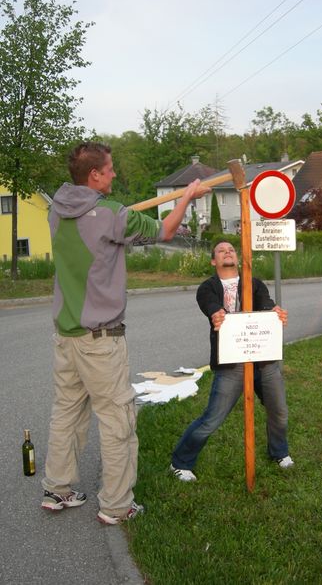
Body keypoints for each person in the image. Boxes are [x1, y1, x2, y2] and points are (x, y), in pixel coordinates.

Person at [41, 141, 210, 524]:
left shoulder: (56, 209)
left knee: (66, 413)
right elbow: (166, 230)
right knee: (118, 420)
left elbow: (100, 221)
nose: (115, 174)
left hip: (65, 335)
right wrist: (186, 196)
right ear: (94, 175)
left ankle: (58, 489)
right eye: (110, 169)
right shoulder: (113, 214)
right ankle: (117, 506)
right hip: (100, 340)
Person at [170, 240, 293, 481]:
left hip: (263, 361)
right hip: (230, 365)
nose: (228, 252)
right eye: (221, 250)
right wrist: (217, 315)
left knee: (279, 411)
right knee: (212, 418)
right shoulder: (207, 288)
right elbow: (211, 307)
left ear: (237, 258)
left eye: (231, 249)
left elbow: (265, 303)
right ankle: (180, 462)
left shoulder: (253, 283)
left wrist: (275, 312)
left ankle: (278, 452)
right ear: (213, 261)